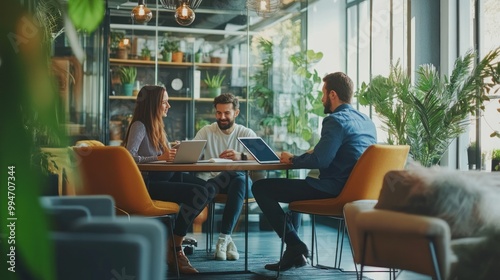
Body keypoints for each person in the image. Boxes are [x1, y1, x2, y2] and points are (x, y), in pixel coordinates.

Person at [252, 72, 377, 271]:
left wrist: (292, 159)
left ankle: (294, 245)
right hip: (360, 192)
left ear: (333, 95)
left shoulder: (335, 120)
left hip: (334, 189)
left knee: (261, 188)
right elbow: (338, 153)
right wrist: (303, 156)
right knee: (295, 197)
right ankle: (295, 255)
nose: (322, 99)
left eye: (323, 93)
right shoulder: (366, 121)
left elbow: (321, 160)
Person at [123, 85, 215, 274]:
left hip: (165, 177)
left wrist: (173, 150)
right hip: (148, 184)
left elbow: (159, 155)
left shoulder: (156, 126)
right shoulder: (139, 125)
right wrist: (160, 158)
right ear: (153, 105)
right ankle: (175, 248)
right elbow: (129, 157)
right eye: (164, 102)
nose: (168, 106)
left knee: (209, 189)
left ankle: (173, 243)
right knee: (197, 193)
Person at [192, 93, 257, 261]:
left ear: (236, 113)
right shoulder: (207, 131)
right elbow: (192, 153)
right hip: (215, 184)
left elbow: (266, 156)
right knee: (238, 178)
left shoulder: (245, 132)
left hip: (229, 186)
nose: (222, 117)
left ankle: (223, 238)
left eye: (226, 113)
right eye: (218, 113)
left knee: (238, 177)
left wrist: (240, 156)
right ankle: (225, 238)